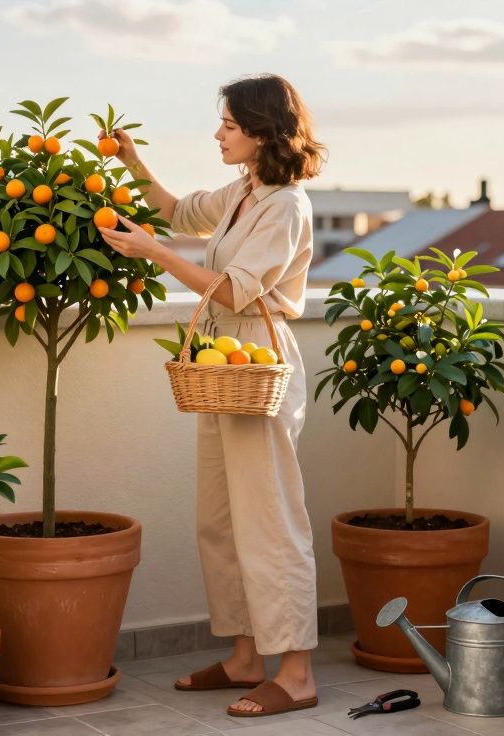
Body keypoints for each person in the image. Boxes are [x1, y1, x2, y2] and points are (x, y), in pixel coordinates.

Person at [97, 73, 327, 718]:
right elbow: (174, 211)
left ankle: (299, 672)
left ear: (261, 131)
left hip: (258, 357)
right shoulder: (244, 191)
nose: (218, 134)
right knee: (221, 519)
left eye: (229, 125)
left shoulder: (285, 204)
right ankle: (246, 657)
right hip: (222, 360)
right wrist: (132, 161)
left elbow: (232, 291)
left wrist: (153, 254)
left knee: (271, 521)